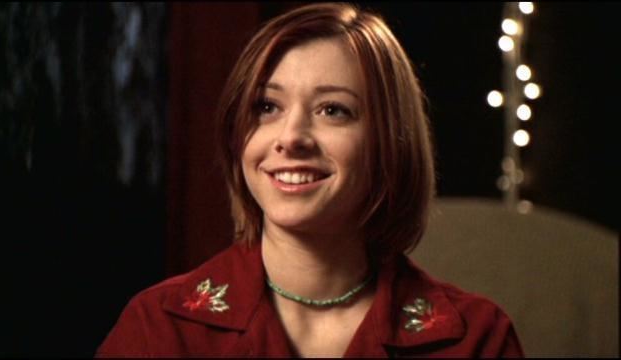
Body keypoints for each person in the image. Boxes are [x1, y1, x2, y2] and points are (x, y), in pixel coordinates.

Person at [96, 3, 524, 357]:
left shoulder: (476, 340)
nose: (291, 138)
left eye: (332, 110)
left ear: (390, 142)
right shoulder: (160, 329)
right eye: (267, 107)